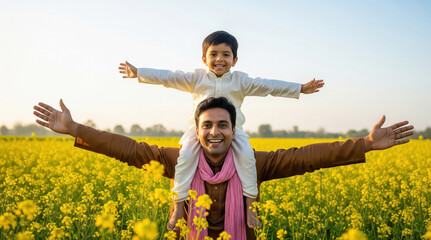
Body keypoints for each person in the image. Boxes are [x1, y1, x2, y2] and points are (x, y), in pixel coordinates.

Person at [33, 97, 413, 240]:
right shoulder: (178, 161)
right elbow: (128, 149)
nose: (215, 132)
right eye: (207, 125)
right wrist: (75, 129)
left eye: (223, 125)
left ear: (234, 130)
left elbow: (307, 157)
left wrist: (364, 144)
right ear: (196, 131)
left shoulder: (253, 163)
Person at [118, 30, 325, 230]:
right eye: (213, 54)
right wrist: (139, 73)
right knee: (185, 158)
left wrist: (299, 88)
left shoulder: (240, 81)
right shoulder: (195, 78)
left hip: (232, 132)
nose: (219, 59)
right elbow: (169, 77)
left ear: (235, 60)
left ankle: (251, 205)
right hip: (198, 131)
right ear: (203, 59)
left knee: (246, 157)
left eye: (226, 54)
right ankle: (178, 205)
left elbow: (268, 86)